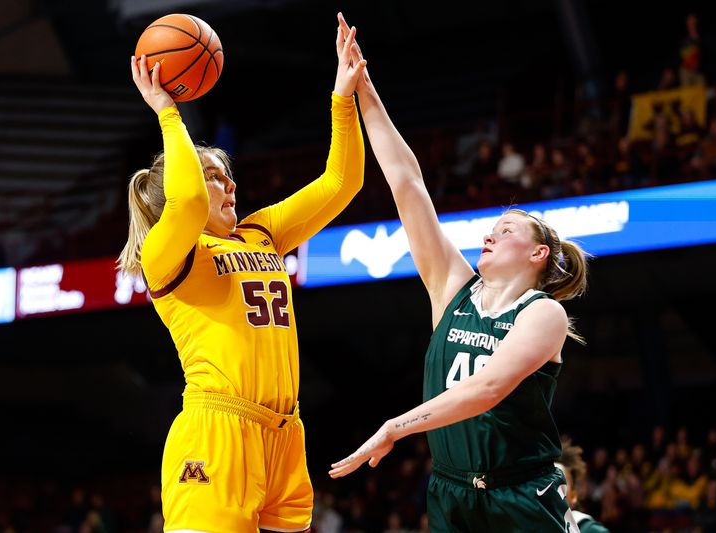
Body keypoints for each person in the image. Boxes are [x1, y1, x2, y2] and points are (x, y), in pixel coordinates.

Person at [329, 14, 589, 532]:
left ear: (538, 255)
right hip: (450, 490)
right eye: (491, 227)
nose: (490, 234)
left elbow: (488, 389)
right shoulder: (452, 286)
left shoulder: (544, 314)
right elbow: (407, 183)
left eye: (508, 230)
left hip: (519, 492)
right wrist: (363, 90)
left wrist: (394, 428)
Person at [117, 19, 366, 533]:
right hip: (216, 431)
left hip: (284, 434)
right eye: (213, 175)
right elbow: (185, 200)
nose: (229, 184)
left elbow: (342, 182)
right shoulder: (168, 253)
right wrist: (168, 110)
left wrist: (343, 98)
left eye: (229, 174)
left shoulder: (261, 234)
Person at [556, 437, 611, 533]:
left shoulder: (588, 529)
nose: (551, 487)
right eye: (545, 482)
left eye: (559, 482)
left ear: (573, 496)